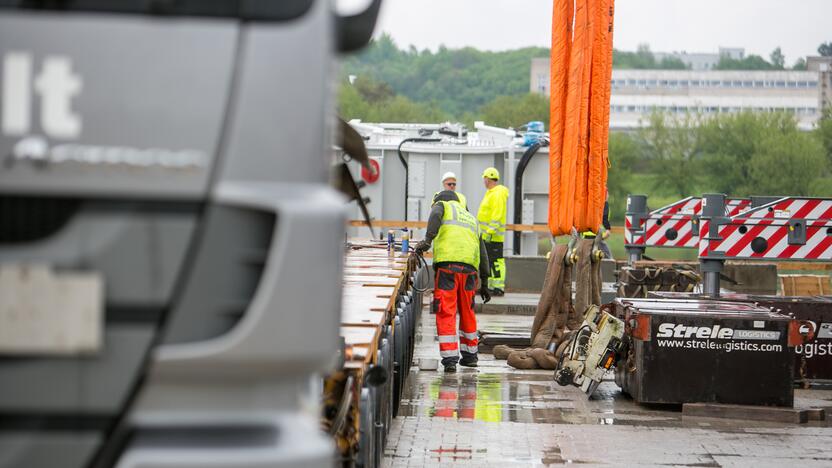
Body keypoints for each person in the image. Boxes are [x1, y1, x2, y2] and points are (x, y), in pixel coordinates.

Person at [415, 191, 491, 373]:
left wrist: (427, 241)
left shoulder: (443, 205)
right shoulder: (471, 218)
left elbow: (434, 215)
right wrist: (486, 282)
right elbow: (483, 252)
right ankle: (470, 356)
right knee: (467, 311)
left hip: (448, 268)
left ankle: (450, 359)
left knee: (446, 311)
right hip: (470, 272)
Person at [477, 167, 509, 296]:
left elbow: (497, 215)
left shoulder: (497, 193)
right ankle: (490, 287)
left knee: (495, 261)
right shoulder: (491, 193)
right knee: (489, 261)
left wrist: (490, 232)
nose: (483, 181)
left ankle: (498, 287)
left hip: (493, 236)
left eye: (484, 178)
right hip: (488, 235)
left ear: (488, 178)